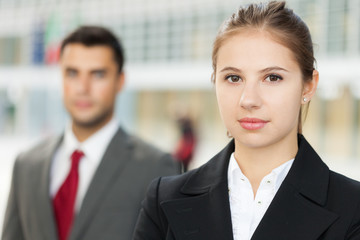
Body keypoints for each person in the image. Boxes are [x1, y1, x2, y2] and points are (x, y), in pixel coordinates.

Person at [133, 2, 360, 239]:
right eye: (233, 78)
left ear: (308, 86)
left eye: (272, 77)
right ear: (214, 82)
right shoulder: (163, 199)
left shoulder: (353, 207)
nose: (248, 99)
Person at [2, 26, 179, 240]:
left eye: (98, 74)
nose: (83, 88)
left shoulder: (155, 167)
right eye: (72, 73)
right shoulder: (26, 165)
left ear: (120, 80)